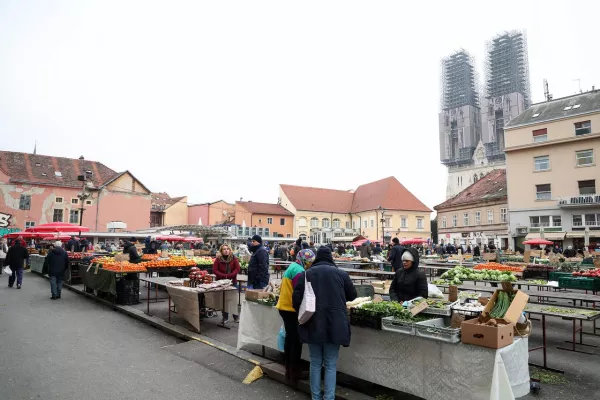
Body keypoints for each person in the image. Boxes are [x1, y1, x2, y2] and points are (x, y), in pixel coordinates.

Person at [292, 246, 357, 400]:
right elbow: (353, 295)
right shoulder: (341, 274)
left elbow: (295, 300)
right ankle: (328, 397)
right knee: (330, 364)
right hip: (335, 323)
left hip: (312, 323)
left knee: (315, 362)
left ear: (317, 258)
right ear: (331, 257)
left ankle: (315, 397)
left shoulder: (306, 274)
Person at [276, 249, 316, 385]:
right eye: (310, 261)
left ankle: (288, 369)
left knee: (289, 339)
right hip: (291, 309)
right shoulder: (299, 271)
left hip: (284, 307)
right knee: (295, 341)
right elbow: (299, 292)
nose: (310, 264)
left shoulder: (293, 266)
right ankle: (294, 373)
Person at [213, 244, 241, 323]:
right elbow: (215, 270)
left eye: (227, 249)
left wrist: (230, 275)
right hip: (221, 282)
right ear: (221, 251)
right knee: (224, 300)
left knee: (232, 300)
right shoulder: (218, 259)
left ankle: (235, 317)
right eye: (224, 249)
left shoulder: (234, 258)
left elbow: (237, 269)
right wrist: (224, 276)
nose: (226, 250)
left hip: (232, 282)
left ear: (230, 250)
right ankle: (225, 317)